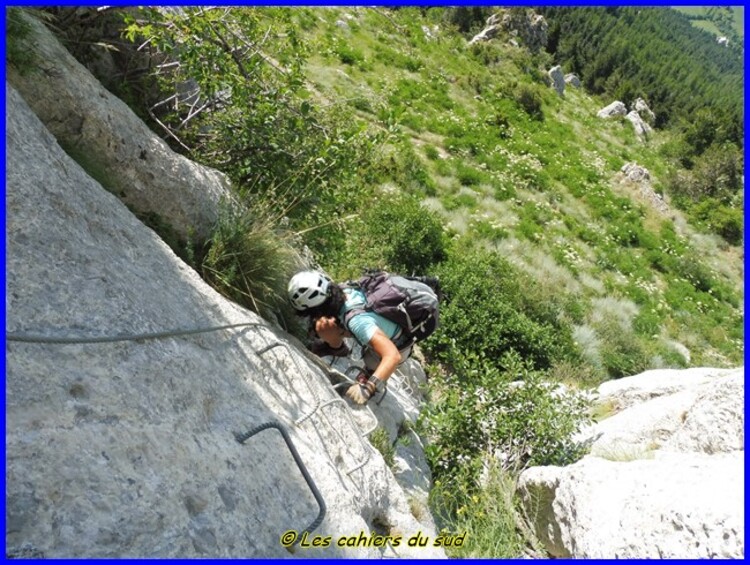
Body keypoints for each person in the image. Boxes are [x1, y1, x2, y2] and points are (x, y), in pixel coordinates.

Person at [288, 270, 413, 405]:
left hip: (397, 344)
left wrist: (369, 387)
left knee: (372, 363)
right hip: (374, 323)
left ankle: (369, 371)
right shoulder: (342, 290)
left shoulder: (357, 322)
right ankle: (337, 349)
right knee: (323, 325)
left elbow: (392, 356)